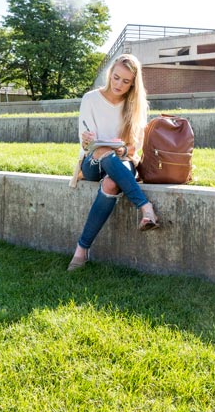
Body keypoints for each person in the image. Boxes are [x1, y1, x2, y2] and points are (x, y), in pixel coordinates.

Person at [67, 53, 159, 271]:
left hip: (123, 160)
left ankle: (81, 250)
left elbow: (134, 148)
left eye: (126, 81)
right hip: (92, 162)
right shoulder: (90, 99)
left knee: (111, 183)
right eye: (116, 77)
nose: (119, 84)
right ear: (110, 74)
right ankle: (146, 207)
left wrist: (121, 148)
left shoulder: (136, 105)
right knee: (103, 152)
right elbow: (85, 144)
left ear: (133, 84)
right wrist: (88, 140)